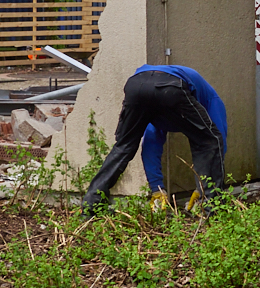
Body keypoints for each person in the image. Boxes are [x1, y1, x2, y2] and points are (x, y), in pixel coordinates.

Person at [82, 64, 227, 215]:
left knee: (124, 146)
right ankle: (212, 208)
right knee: (210, 139)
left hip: (136, 85)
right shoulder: (212, 100)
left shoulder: (161, 112)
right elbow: (216, 142)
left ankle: (91, 206)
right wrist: (204, 188)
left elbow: (150, 144)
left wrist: (157, 188)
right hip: (171, 87)